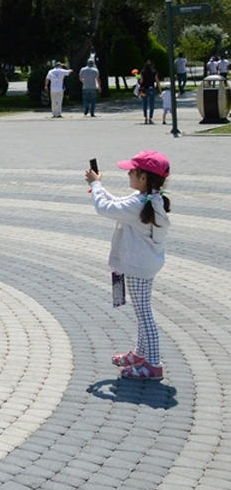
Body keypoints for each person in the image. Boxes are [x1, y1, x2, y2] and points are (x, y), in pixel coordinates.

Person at [84, 150, 171, 380]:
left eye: (132, 171)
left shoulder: (139, 203)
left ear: (143, 178)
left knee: (144, 314)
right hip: (145, 265)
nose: (128, 174)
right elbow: (116, 203)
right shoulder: (149, 199)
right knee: (142, 310)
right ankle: (142, 354)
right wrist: (98, 187)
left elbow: (105, 208)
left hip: (138, 266)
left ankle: (153, 364)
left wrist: (96, 186)